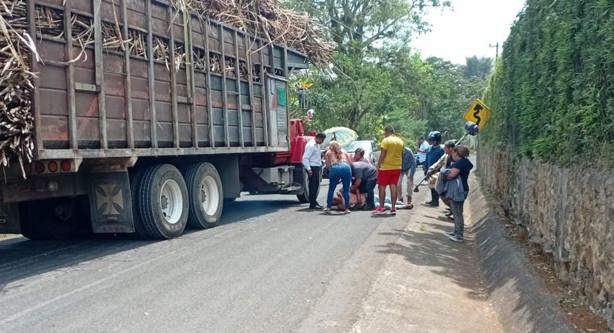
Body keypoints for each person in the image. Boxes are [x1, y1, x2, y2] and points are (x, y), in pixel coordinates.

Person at [373, 126, 404, 215]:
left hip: (386, 167)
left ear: (387, 132)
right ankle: (393, 208)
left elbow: (382, 154)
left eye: (385, 133)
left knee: (381, 187)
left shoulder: (386, 141)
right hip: (397, 167)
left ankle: (381, 207)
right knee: (393, 186)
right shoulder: (400, 141)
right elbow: (402, 154)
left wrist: (378, 166)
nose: (384, 134)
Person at [445, 146, 474, 242]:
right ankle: (456, 232)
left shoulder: (459, 163)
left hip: (458, 190)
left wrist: (445, 173)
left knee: (457, 213)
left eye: (453, 153)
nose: (452, 155)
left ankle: (459, 235)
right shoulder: (466, 162)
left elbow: (451, 175)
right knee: (457, 211)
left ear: (457, 153)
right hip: (464, 188)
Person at [427, 140, 456, 216]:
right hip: (446, 178)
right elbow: (439, 162)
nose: (444, 149)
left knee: (451, 195)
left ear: (451, 148)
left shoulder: (457, 156)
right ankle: (452, 208)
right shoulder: (446, 155)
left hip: (455, 179)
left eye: (446, 148)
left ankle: (455, 211)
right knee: (441, 192)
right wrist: (431, 169)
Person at [324, 141, 352, 214]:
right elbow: (350, 162)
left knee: (331, 189)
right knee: (346, 189)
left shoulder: (328, 152)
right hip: (346, 167)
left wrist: (330, 172)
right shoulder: (344, 151)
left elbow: (328, 166)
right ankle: (347, 208)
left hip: (335, 168)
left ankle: (328, 207)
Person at [302, 133, 326, 209]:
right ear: (318, 138)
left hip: (317, 166)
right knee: (313, 186)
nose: (322, 142)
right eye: (322, 140)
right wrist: (309, 169)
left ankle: (314, 202)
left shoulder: (317, 145)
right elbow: (305, 158)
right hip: (312, 167)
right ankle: (312, 203)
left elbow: (316, 155)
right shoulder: (311, 145)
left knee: (316, 186)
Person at [424, 131, 444, 207]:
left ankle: (436, 201)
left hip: (436, 171)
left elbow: (442, 161)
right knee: (431, 185)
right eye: (431, 140)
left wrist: (436, 170)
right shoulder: (429, 149)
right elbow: (427, 159)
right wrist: (425, 168)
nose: (432, 141)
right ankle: (433, 200)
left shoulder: (441, 150)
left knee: (436, 186)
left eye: (433, 140)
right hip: (429, 170)